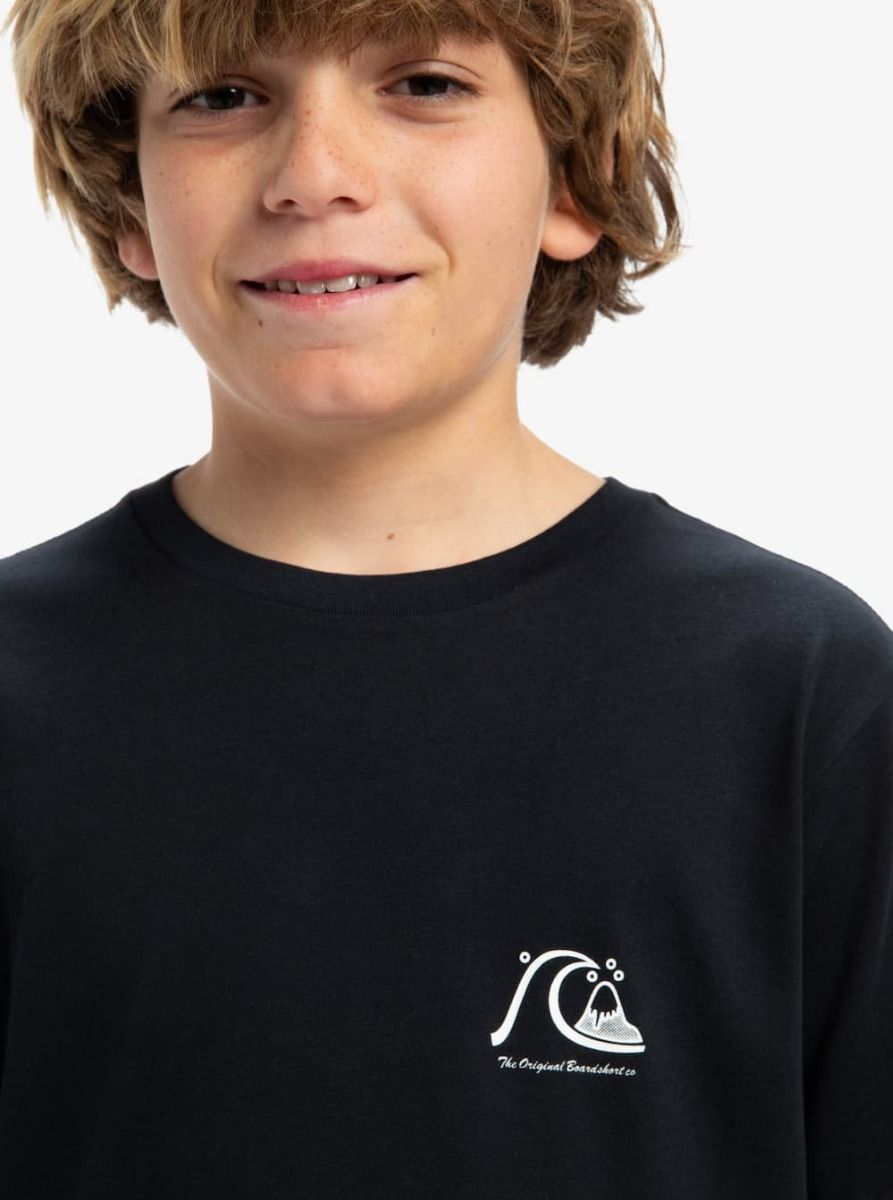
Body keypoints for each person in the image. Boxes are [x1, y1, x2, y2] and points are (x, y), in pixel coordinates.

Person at [1, 0, 890, 1196]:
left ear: (572, 180)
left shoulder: (801, 692)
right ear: (129, 205)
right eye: (221, 96)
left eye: (422, 85)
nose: (315, 175)